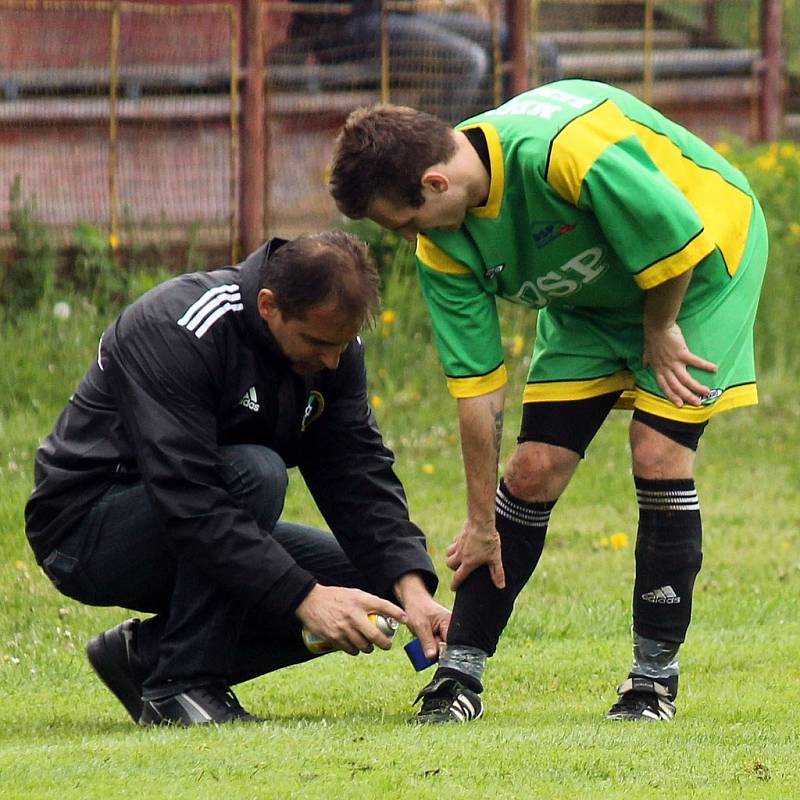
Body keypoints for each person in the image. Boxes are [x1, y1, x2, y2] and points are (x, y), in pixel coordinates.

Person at [328, 79, 768, 723]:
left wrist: (656, 329)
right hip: (589, 296)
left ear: (435, 185)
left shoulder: (563, 152)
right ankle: (459, 677)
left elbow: (675, 234)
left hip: (699, 268)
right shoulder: (443, 244)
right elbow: (478, 391)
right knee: (531, 470)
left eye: (403, 221)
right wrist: (481, 523)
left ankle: (652, 682)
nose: (406, 239)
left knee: (656, 451)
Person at [25, 231, 449, 726]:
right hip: (86, 529)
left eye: (341, 345)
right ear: (268, 306)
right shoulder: (178, 326)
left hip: (195, 512)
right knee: (257, 475)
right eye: (318, 343)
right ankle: (180, 687)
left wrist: (412, 589)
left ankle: (143, 659)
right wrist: (305, 599)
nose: (332, 361)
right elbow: (191, 499)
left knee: (367, 589)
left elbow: (356, 470)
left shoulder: (330, 347)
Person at [281, 0, 505, 123]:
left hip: (396, 14)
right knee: (469, 62)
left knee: (504, 40)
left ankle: (493, 156)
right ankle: (430, 157)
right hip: (345, 27)